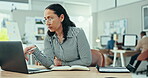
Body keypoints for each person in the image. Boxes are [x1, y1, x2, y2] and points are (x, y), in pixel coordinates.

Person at [24, 4, 92, 68]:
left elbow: (86, 61)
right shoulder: (49, 37)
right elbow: (49, 63)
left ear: (61, 18)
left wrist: (63, 64)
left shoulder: (78, 33)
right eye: (45, 19)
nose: (47, 23)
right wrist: (35, 51)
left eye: (50, 18)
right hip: (60, 74)